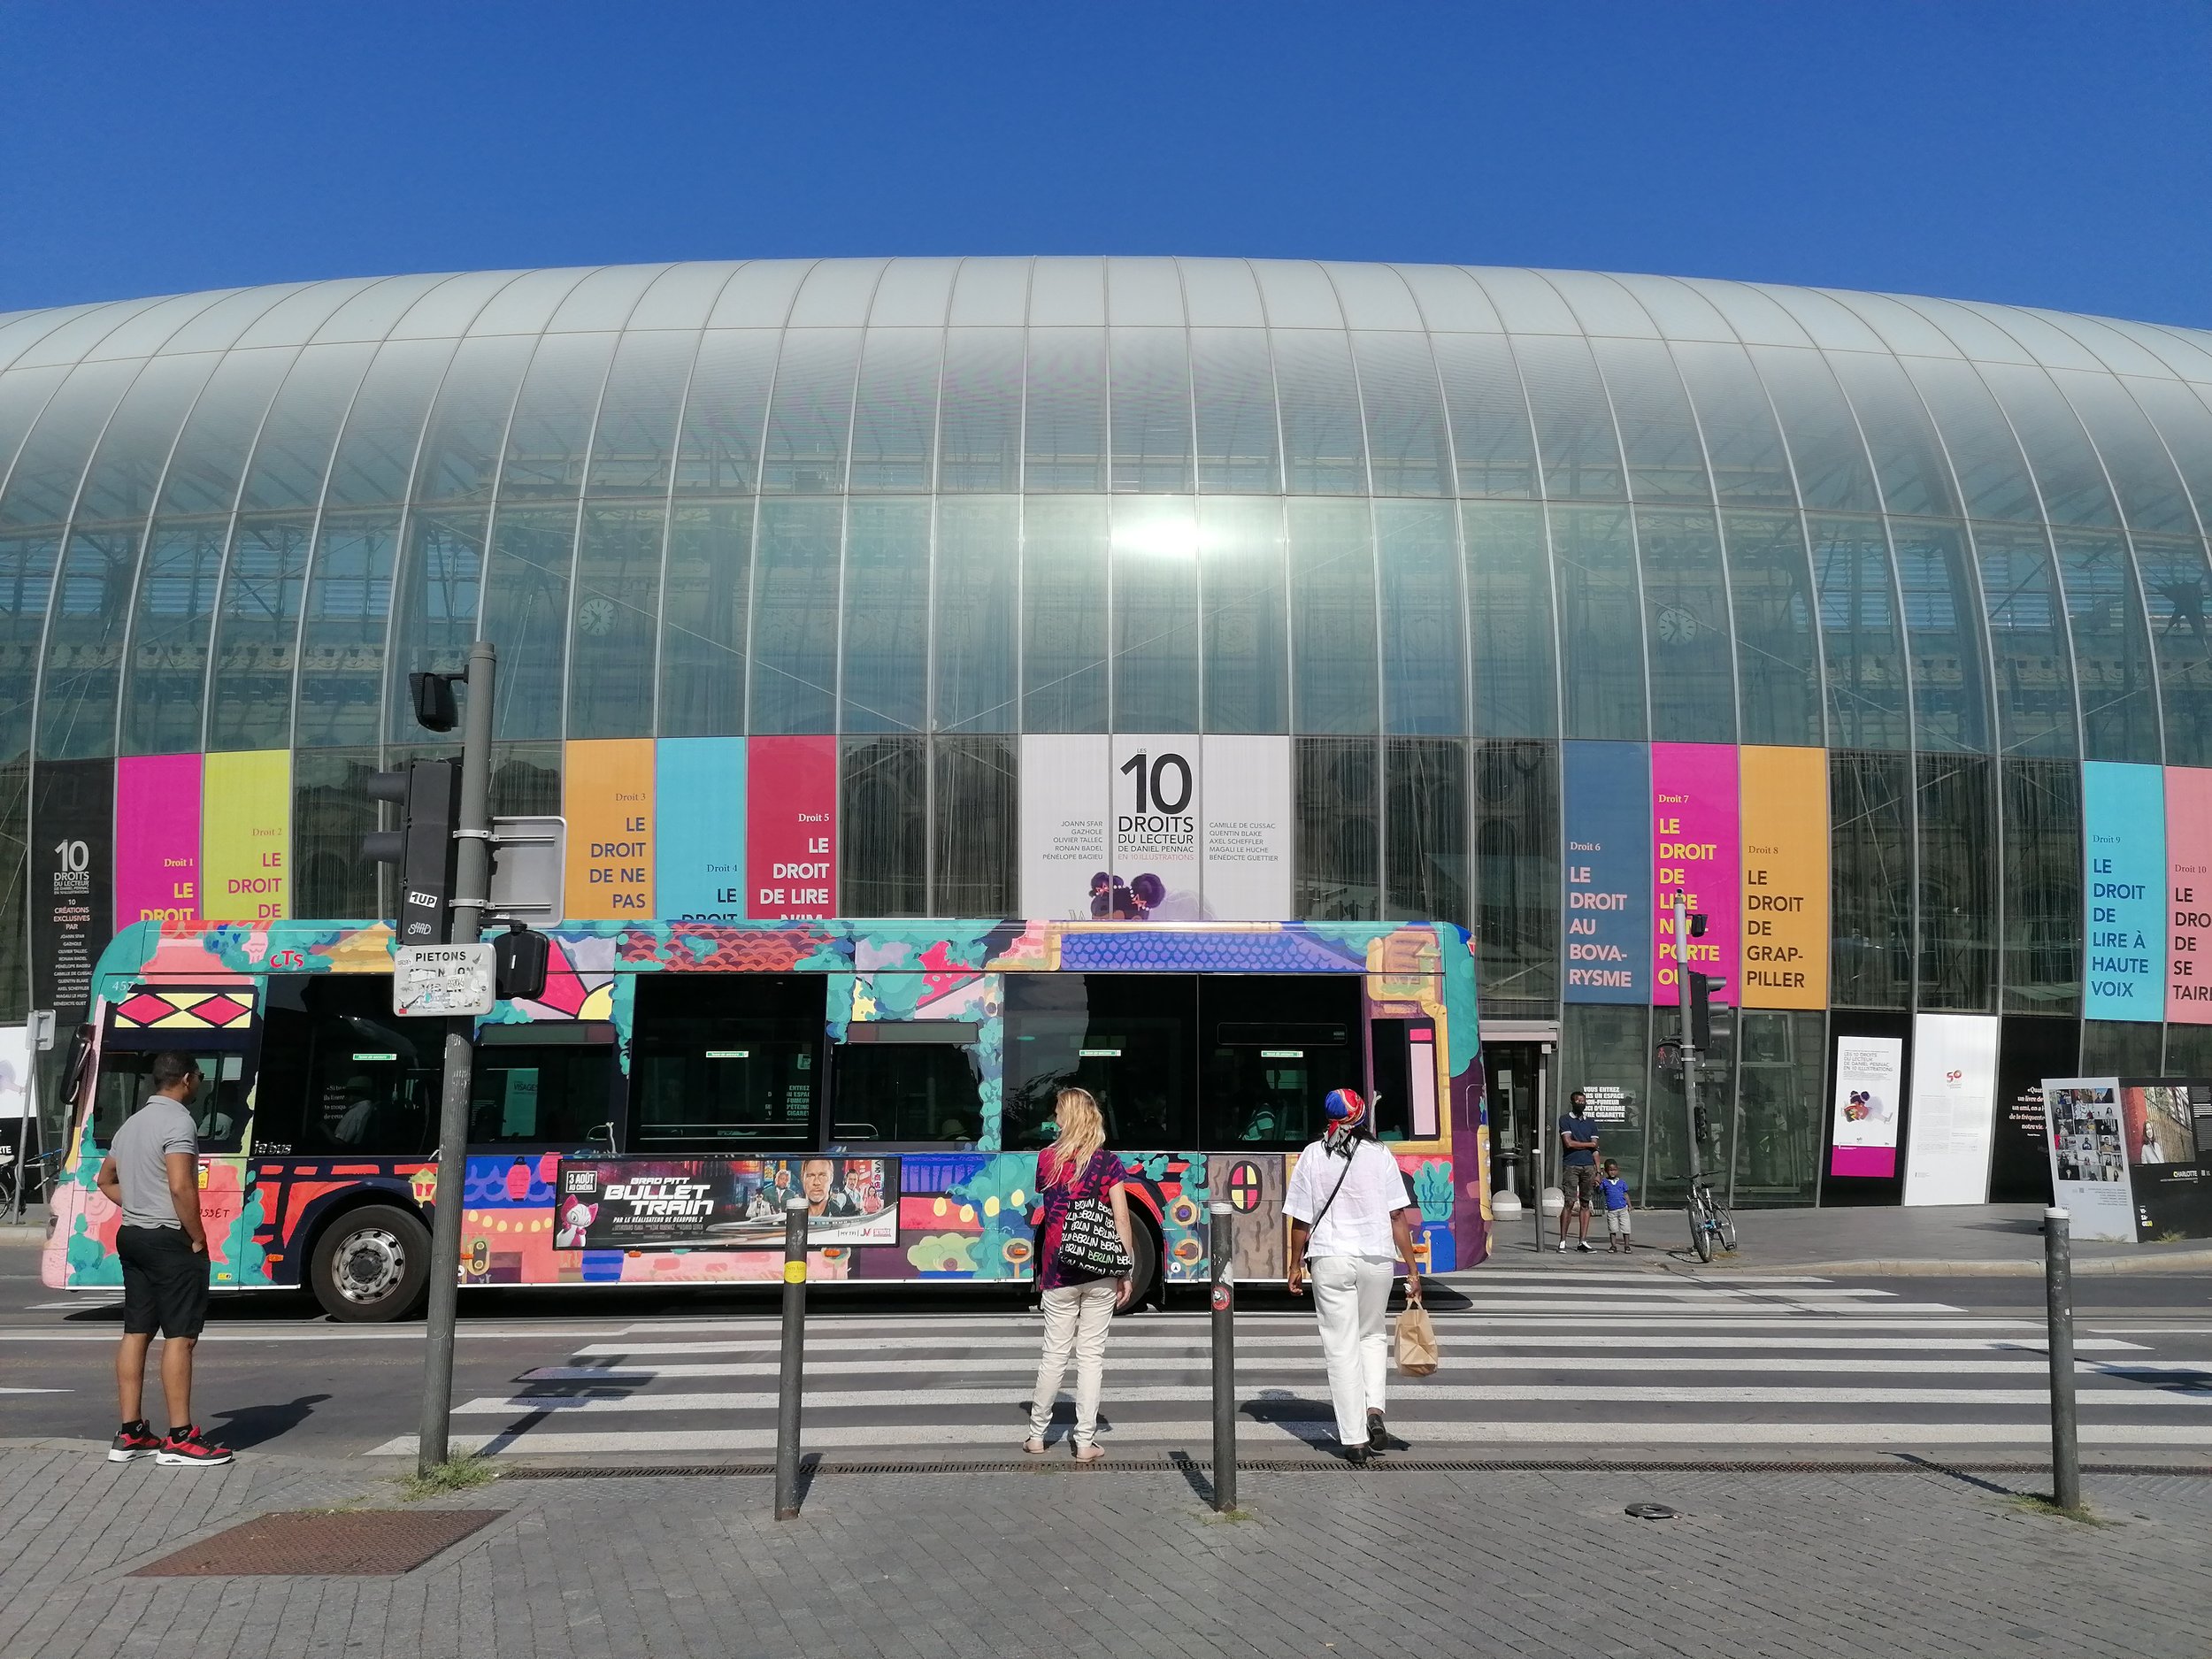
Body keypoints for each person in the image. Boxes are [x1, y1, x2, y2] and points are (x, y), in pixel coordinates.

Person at [96, 1052, 231, 1466]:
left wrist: (136, 1203)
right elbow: (180, 1186)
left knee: (137, 1330)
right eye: (201, 1077)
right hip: (167, 1240)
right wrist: (197, 1237)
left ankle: (130, 1432)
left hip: (132, 1236)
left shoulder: (132, 1123)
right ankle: (180, 1438)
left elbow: (105, 1180)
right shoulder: (179, 1122)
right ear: (187, 1079)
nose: (202, 1084)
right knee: (181, 1336)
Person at [1285, 1087, 1425, 1465]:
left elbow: (1300, 1218)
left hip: (1329, 1257)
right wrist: (1411, 1268)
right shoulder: (1380, 1154)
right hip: (1377, 1256)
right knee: (1372, 1334)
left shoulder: (1313, 1155)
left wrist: (1295, 1263)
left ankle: (1355, 1439)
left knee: (1341, 1346)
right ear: (1362, 1116)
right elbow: (1398, 1215)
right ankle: (1374, 1409)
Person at [1022, 1087, 1136, 1462]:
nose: (1053, 1118)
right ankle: (1084, 1442)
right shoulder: (1108, 1164)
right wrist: (1126, 1270)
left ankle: (1037, 1435)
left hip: (1058, 1269)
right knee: (1091, 1356)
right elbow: (1122, 1218)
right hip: (1101, 1268)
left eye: (1057, 1112)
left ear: (1066, 1118)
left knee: (1054, 1353)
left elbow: (1049, 1202)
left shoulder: (1047, 1160)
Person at [1557, 1089, 1600, 1254]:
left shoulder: (1590, 1122)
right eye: (1578, 1101)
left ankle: (1583, 1241)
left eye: (1583, 1101)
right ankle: (1562, 1240)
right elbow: (1568, 1143)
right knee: (1569, 1202)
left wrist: (1599, 1171)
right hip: (1571, 1165)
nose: (1581, 1103)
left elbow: (1596, 1148)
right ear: (1572, 1102)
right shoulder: (1565, 1120)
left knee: (1585, 1203)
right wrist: (1589, 1144)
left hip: (1588, 1166)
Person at [1599, 1159, 1632, 1254]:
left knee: (1626, 1228)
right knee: (1612, 1229)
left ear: (1617, 1170)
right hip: (1611, 1210)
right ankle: (1613, 1246)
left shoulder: (1622, 1182)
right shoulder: (1604, 1182)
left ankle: (1627, 1246)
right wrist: (1599, 1178)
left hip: (1623, 1208)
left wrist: (1629, 1205)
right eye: (1610, 1170)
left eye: (1614, 1170)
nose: (1612, 1172)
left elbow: (1625, 1194)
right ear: (1606, 1171)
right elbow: (1599, 1190)